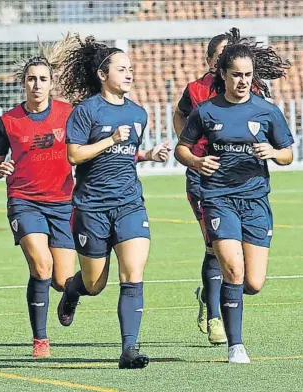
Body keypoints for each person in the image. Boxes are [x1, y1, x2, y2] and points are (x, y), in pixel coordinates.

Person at [174, 28, 292, 363]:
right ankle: (235, 345)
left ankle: (215, 297)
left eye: (248, 75)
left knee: (253, 283)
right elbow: (181, 150)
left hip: (255, 200)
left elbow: (287, 155)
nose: (242, 81)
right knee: (233, 271)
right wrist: (197, 161)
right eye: (236, 75)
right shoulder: (206, 111)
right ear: (222, 75)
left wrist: (272, 152)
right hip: (218, 198)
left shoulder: (267, 111)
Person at [57, 34, 161, 369]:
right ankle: (73, 290)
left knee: (132, 274)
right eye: (121, 69)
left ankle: (129, 350)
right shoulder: (86, 112)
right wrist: (110, 139)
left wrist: (145, 154)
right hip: (91, 207)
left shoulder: (138, 113)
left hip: (130, 203)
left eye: (131, 69)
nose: (129, 74)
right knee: (94, 283)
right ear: (103, 75)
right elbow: (75, 155)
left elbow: (124, 156)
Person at [0, 55, 76, 358]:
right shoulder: (8, 121)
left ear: (51, 84)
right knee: (41, 266)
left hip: (64, 203)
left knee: (63, 281)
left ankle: (70, 296)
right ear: (23, 82)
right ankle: (40, 340)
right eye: (31, 79)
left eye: (42, 79)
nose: (36, 85)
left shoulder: (69, 114)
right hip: (24, 201)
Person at [172, 32, 231, 345]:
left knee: (242, 263)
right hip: (202, 178)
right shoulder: (195, 89)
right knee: (215, 245)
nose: (225, 60)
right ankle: (214, 316)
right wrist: (190, 149)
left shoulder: (251, 87)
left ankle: (208, 293)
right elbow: (179, 113)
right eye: (220, 55)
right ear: (210, 60)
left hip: (240, 179)